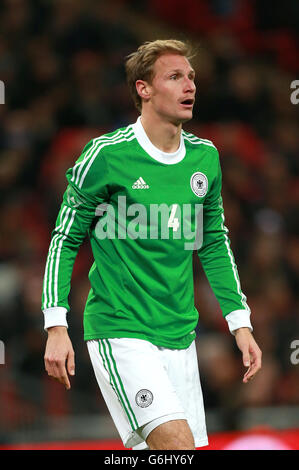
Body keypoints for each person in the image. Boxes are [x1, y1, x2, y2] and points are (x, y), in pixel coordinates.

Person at [42, 39, 262, 451]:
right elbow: (65, 238)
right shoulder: (106, 155)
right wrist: (56, 326)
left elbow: (213, 242)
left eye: (192, 77)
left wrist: (240, 322)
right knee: (176, 446)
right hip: (120, 331)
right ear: (144, 89)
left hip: (180, 337)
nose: (189, 86)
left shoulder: (205, 159)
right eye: (175, 77)